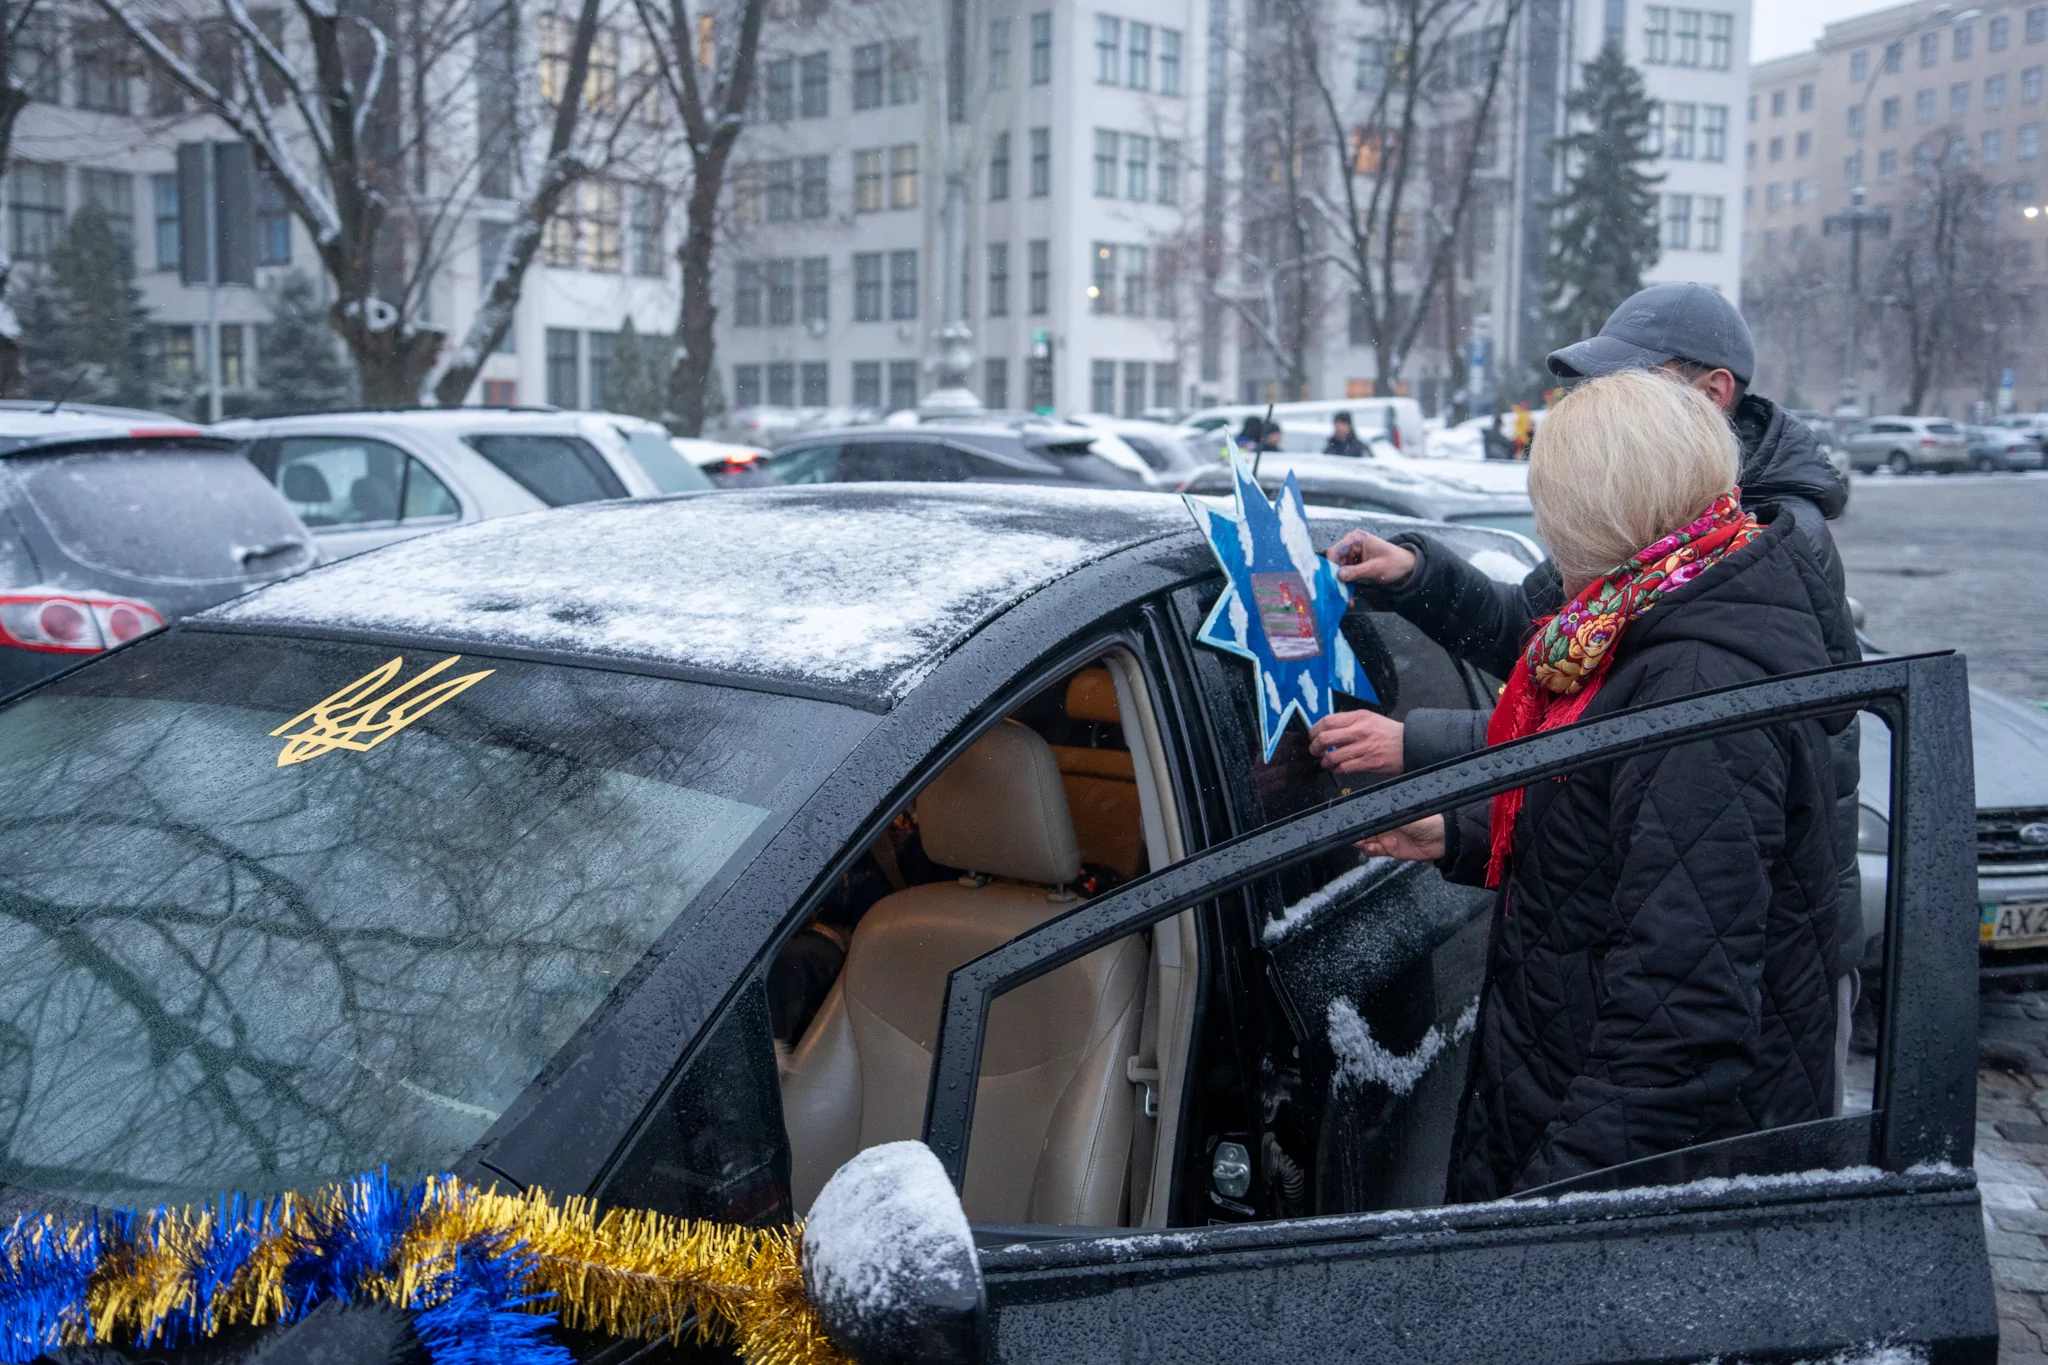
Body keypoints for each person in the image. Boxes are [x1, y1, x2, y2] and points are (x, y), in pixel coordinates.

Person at [1309, 281, 1863, 1099]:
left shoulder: (1751, 549)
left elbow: (1633, 729)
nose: (1602, 405)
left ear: (1713, 394)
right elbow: (1545, 649)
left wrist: (1425, 746)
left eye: (1627, 384)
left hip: (1751, 977)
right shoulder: (1657, 522)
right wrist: (1423, 579)